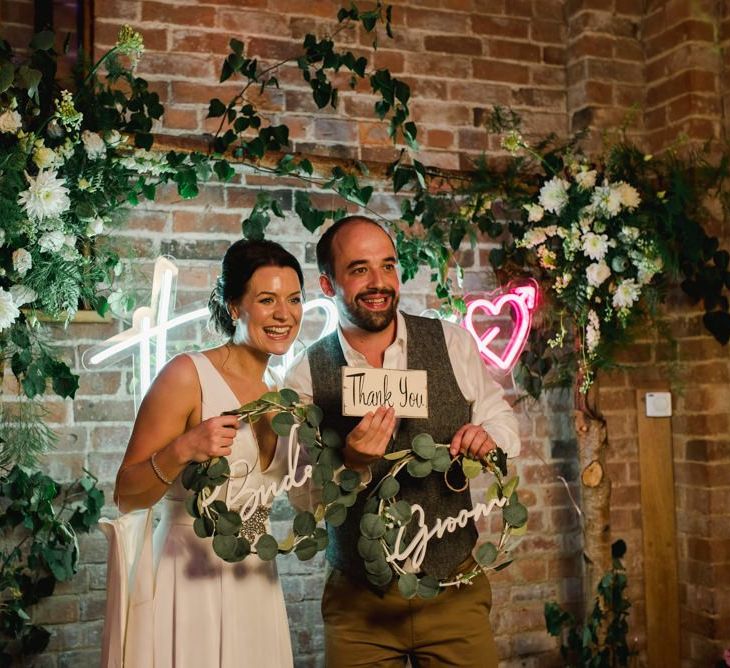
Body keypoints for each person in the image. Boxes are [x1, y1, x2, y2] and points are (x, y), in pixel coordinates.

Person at [284, 216, 521, 667]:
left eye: (387, 266)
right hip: (359, 605)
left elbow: (501, 417)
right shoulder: (305, 373)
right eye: (359, 269)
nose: (379, 282)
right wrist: (350, 463)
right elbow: (301, 496)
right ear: (327, 284)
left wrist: (486, 437)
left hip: (454, 588)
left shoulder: (450, 342)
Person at [104, 239, 303, 668]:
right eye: (267, 299)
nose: (284, 314)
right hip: (189, 579)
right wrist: (185, 447)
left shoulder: (284, 398)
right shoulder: (187, 374)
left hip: (257, 580)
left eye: (294, 299)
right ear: (234, 307)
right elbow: (126, 494)